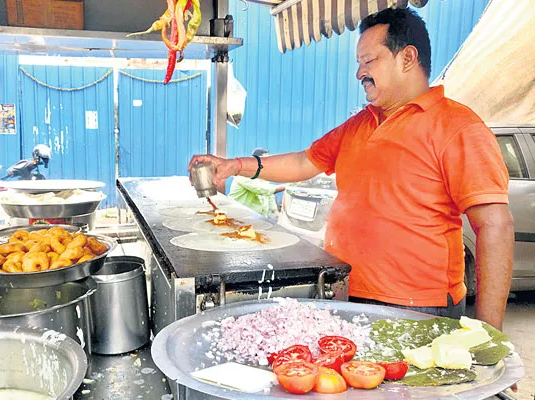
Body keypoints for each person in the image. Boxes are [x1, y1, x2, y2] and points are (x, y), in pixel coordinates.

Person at [188, 7, 514, 330]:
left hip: (416, 307)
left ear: (408, 58)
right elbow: (305, 161)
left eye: (369, 61)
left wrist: (489, 332)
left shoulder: (457, 127)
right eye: (359, 63)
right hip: (345, 290)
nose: (359, 73)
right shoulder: (360, 123)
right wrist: (235, 166)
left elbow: (494, 227)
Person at [227, 147, 286, 219]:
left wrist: (274, 211)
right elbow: (262, 189)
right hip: (239, 215)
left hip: (257, 216)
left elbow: (269, 196)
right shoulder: (244, 174)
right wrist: (286, 186)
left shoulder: (263, 175)